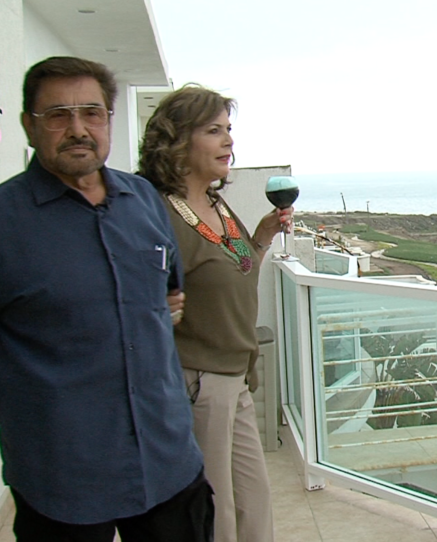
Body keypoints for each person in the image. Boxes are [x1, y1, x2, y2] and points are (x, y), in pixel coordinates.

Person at [0, 57, 213, 542]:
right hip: (62, 480)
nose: (77, 128)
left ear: (108, 121)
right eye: (58, 114)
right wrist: (41, 412)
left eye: (92, 113)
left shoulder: (143, 200)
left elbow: (169, 295)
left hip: (168, 464)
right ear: (28, 127)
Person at [137, 84, 289, 542]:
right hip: (199, 382)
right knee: (216, 511)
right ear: (178, 142)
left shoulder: (217, 205)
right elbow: (141, 298)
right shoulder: (159, 213)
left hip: (236, 374)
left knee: (254, 502)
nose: (228, 141)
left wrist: (260, 238)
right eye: (213, 131)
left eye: (228, 130)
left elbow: (241, 272)